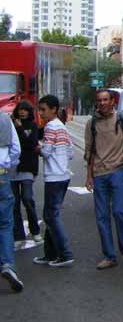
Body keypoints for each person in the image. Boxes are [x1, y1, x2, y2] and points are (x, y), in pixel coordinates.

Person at [84, 89, 123, 270]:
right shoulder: (91, 123)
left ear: (112, 101)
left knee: (119, 212)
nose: (102, 103)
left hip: (118, 170)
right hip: (99, 173)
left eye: (105, 100)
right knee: (101, 217)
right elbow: (89, 151)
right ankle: (109, 255)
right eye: (99, 100)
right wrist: (89, 175)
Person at [32, 95, 75, 268]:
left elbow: (47, 151)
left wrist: (39, 148)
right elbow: (71, 152)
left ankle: (65, 253)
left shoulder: (50, 127)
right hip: (63, 174)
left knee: (51, 216)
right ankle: (50, 254)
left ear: (54, 109)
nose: (40, 113)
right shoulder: (62, 127)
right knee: (51, 215)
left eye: (43, 109)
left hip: (54, 176)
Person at [11, 101, 42, 249]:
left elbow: (31, 143)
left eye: (25, 110)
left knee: (28, 198)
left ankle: (35, 231)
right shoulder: (11, 126)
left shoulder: (32, 126)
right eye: (20, 110)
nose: (22, 112)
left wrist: (21, 129)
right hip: (12, 169)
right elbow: (13, 143)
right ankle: (18, 235)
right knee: (14, 203)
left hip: (28, 168)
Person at [0, 112, 23, 292]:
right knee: (5, 224)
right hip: (2, 174)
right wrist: (8, 169)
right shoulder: (5, 119)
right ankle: (8, 264)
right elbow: (16, 149)